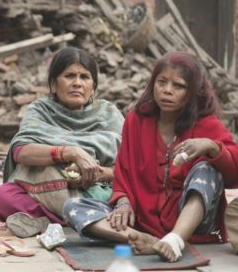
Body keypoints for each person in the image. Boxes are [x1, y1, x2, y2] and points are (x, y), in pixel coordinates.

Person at [63, 52, 238, 262]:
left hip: (193, 224)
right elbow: (123, 173)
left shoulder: (207, 125)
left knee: (207, 169)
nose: (167, 90)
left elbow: (233, 174)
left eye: (179, 86)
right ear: (152, 84)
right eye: (161, 82)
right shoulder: (136, 120)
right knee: (73, 207)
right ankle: (149, 241)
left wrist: (212, 147)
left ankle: (175, 240)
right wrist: (123, 203)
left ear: (192, 92)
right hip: (143, 221)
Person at [0, 47, 124, 237]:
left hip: (96, 192)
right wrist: (70, 152)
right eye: (69, 76)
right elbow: (21, 151)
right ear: (53, 84)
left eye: (84, 77)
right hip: (44, 192)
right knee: (0, 197)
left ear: (93, 87)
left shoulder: (109, 114)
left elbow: (130, 167)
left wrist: (99, 174)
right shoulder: (40, 110)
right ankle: (81, 221)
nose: (77, 83)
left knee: (132, 199)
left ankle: (54, 221)